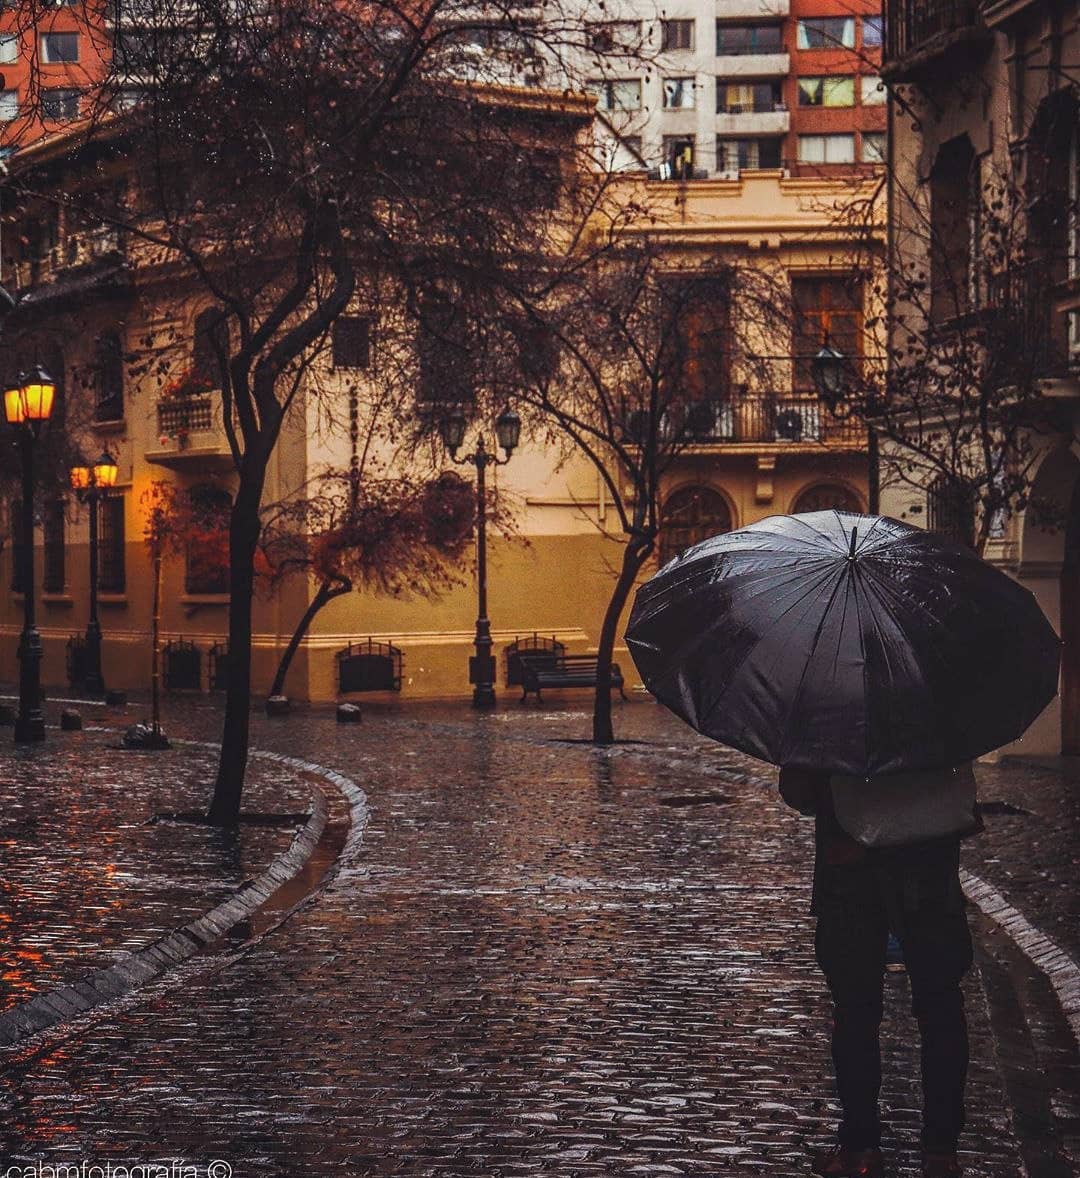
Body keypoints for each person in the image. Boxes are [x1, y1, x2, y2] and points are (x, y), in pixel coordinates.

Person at [779, 763, 982, 1178]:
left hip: (852, 873)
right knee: (942, 1006)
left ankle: (860, 1150)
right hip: (929, 868)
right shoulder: (944, 700)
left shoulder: (831, 703)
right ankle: (941, 1153)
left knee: (856, 1010)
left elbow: (799, 792)